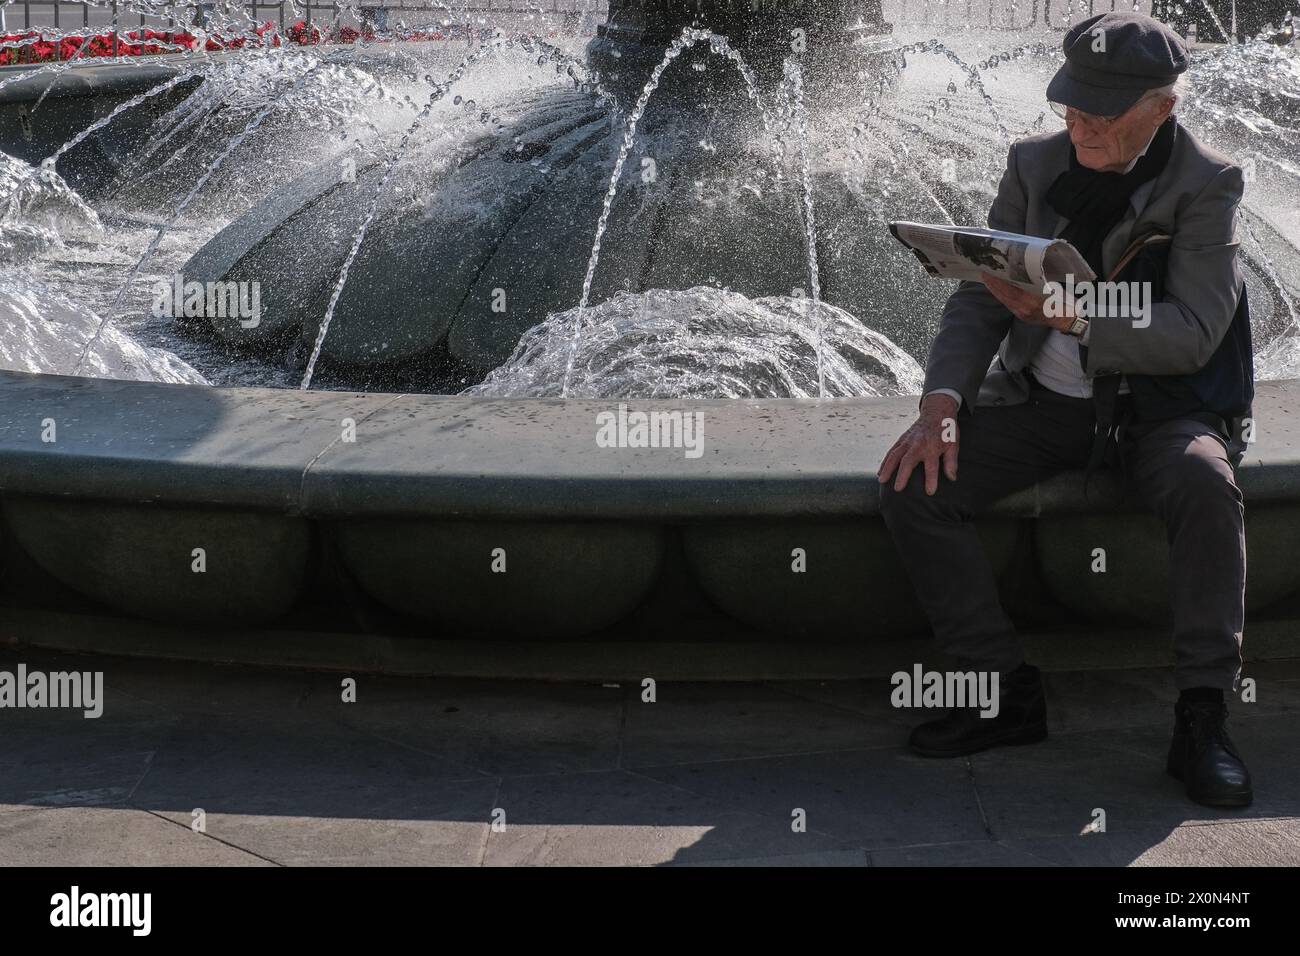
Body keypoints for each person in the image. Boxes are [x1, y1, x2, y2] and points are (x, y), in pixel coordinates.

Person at [876, 11, 1255, 808]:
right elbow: (982, 298)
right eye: (1070, 105)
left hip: (1160, 408)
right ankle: (1001, 688)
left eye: (1100, 113)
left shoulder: (1207, 181)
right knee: (915, 484)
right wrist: (941, 401)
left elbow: (1193, 332)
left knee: (1205, 485)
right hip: (1045, 403)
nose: (1078, 124)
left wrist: (1073, 317)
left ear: (1162, 108)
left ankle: (1203, 717)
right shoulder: (1033, 163)